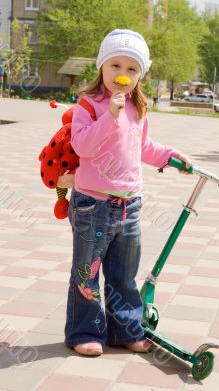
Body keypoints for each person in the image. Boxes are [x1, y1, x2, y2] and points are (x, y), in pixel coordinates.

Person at [64, 29, 191, 357]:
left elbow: (141, 146)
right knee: (87, 273)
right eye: (115, 66)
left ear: (140, 74)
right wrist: (109, 116)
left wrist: (170, 157)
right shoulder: (89, 106)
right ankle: (84, 332)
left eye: (131, 69)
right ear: (102, 68)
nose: (122, 75)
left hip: (129, 206)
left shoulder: (138, 108)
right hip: (92, 204)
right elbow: (83, 146)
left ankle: (125, 330)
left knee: (123, 275)